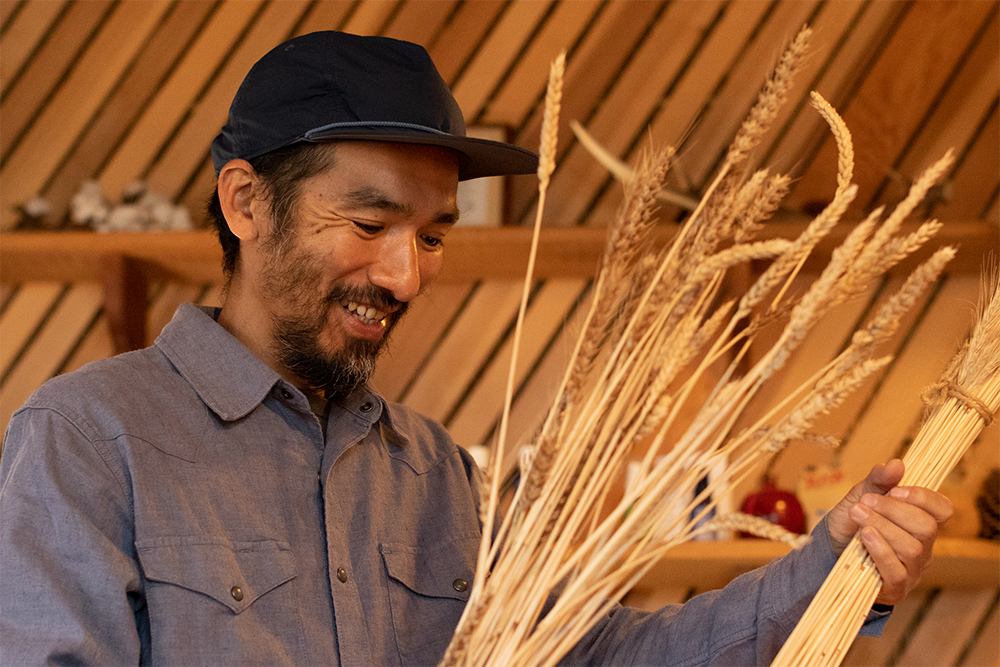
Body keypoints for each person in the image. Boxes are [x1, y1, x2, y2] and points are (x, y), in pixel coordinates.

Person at [0, 31, 952, 666]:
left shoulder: (436, 471)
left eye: (433, 235)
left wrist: (829, 565)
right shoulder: (89, 440)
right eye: (371, 220)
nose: (407, 275)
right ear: (246, 201)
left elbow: (599, 658)